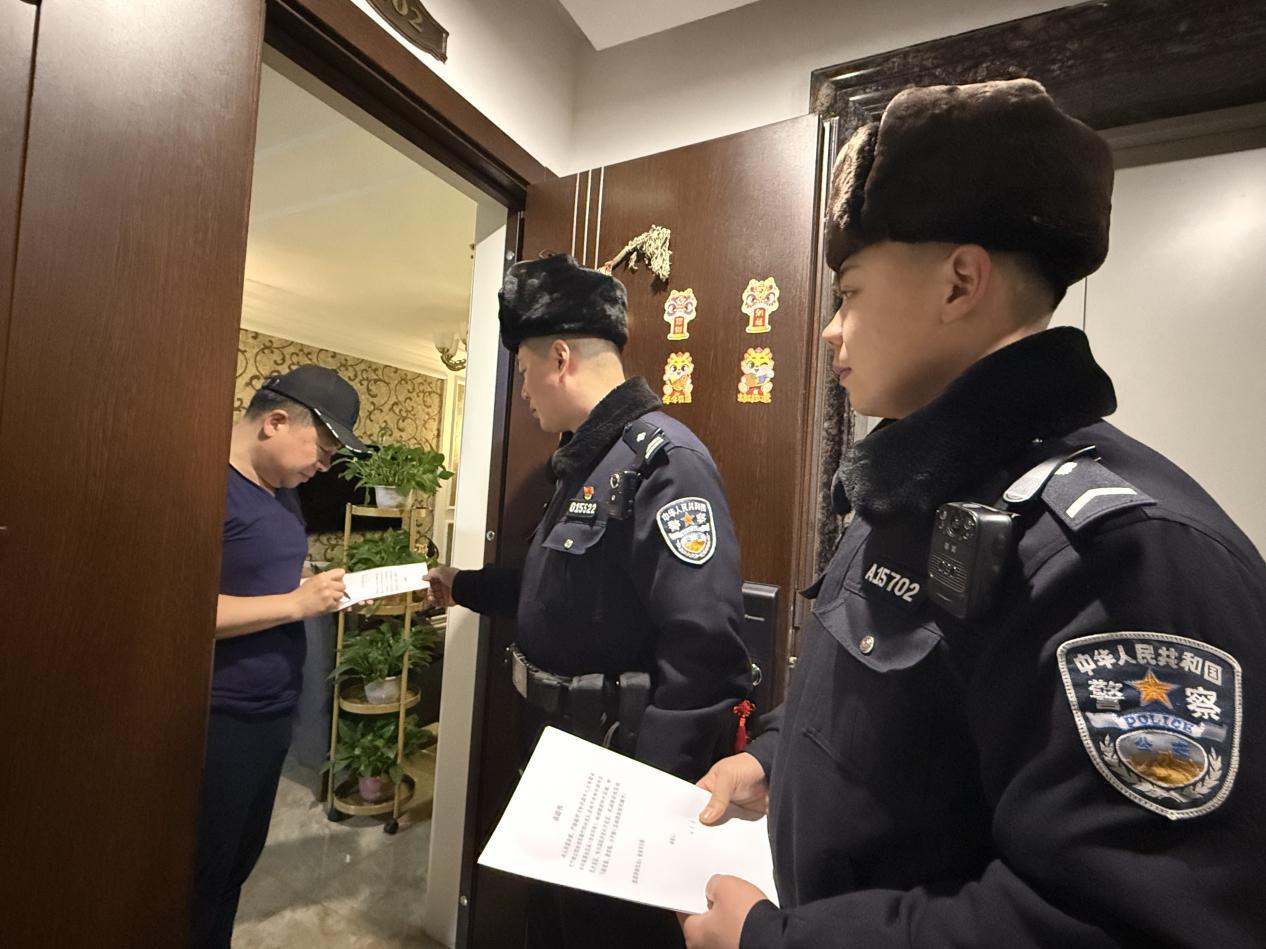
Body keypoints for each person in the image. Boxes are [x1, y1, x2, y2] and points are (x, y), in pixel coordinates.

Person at [685, 79, 1266, 948]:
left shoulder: (1118, 556)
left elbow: (1111, 922)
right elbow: (901, 724)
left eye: (849, 292)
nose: (832, 329)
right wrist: (771, 760)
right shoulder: (918, 488)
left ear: (960, 283)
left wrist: (775, 943)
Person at [426, 253, 751, 948]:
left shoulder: (663, 462)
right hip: (560, 760)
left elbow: (704, 650)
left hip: (620, 780)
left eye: (523, 371)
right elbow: (550, 590)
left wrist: (653, 812)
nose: (523, 392)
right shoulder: (585, 464)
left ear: (560, 357)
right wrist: (461, 585)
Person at [192, 365, 367, 948]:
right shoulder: (206, 485)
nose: (324, 467)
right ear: (274, 422)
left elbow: (264, 582)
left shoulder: (282, 492)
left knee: (234, 869)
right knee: (197, 878)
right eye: (323, 449)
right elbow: (178, 614)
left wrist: (319, 590)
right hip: (219, 715)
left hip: (271, 712)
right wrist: (295, 603)